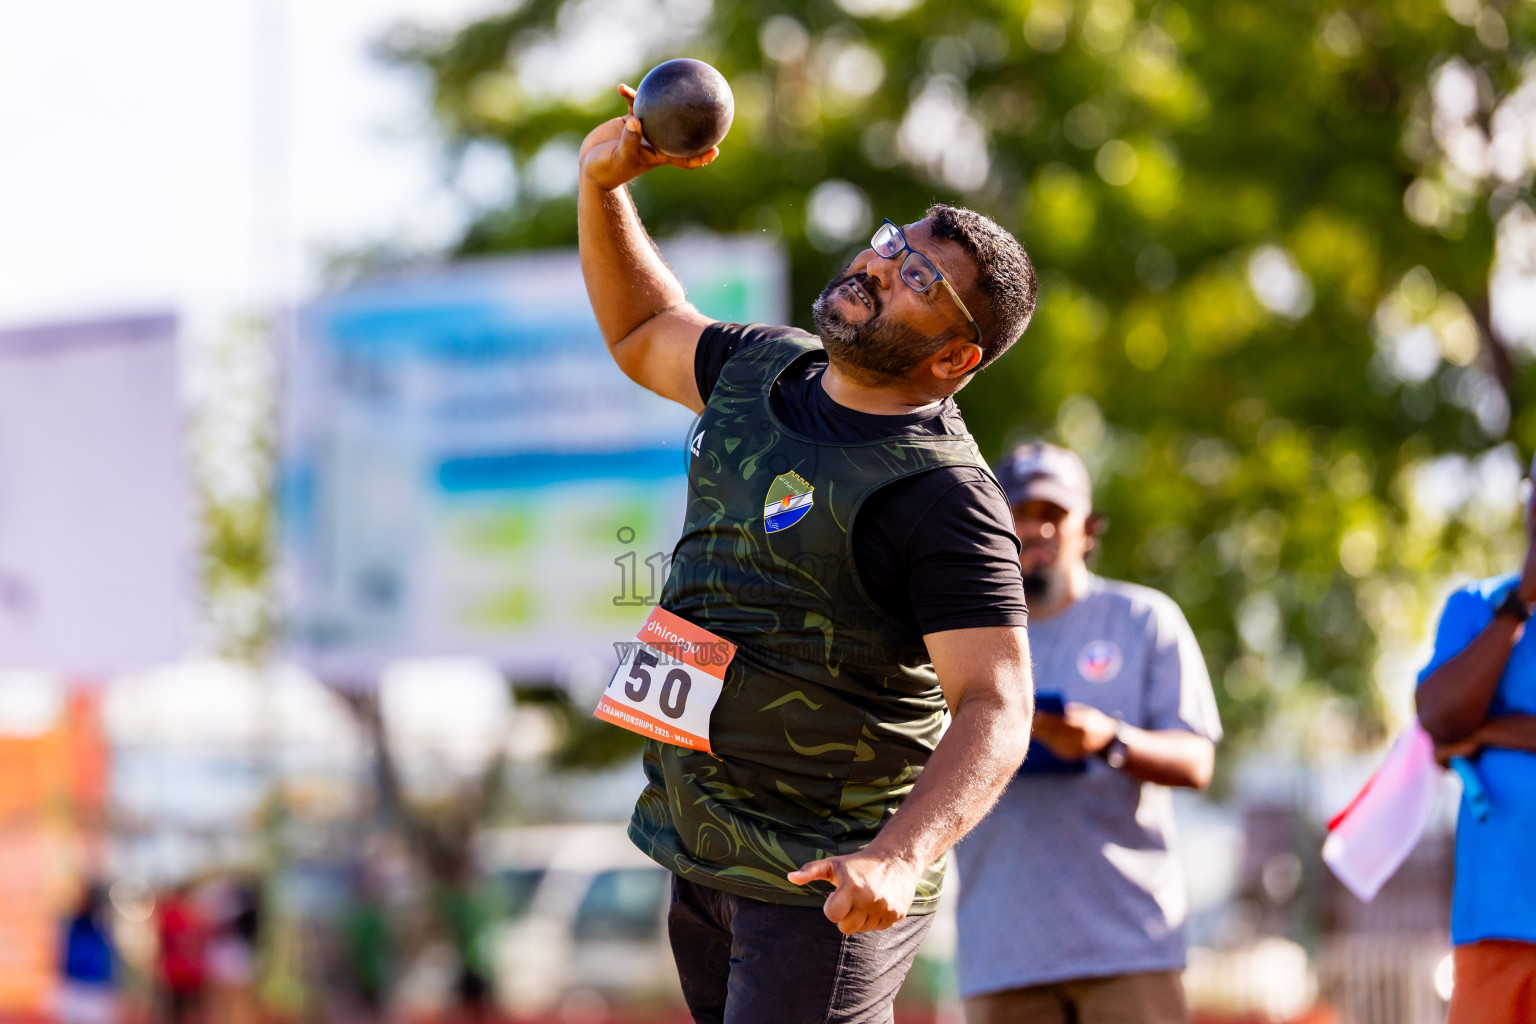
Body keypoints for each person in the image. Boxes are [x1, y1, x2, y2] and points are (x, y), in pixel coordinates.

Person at [578, 83, 1038, 1023]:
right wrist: (603, 188)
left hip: (825, 877)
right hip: (705, 847)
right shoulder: (761, 367)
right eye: (894, 244)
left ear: (956, 359)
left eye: (920, 280)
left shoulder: (944, 497)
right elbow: (640, 330)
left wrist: (899, 858)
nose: (881, 266)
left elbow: (998, 703)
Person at [954, 442, 1222, 1024]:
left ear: (1089, 529)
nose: (1037, 528)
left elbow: (1197, 761)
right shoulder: (958, 634)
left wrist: (1108, 741)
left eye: (1054, 513)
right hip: (1001, 951)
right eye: (1021, 513)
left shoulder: (1144, 620)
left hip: (1128, 948)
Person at [1416, 475, 1536, 1024]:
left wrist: (1487, 733)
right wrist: (1520, 603)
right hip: (1495, 921)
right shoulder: (1476, 606)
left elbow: (1457, 732)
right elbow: (1439, 719)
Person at [57, 883, 117, 1024]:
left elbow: (108, 957)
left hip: (96, 986)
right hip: (77, 984)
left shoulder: (101, 925)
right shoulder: (76, 923)